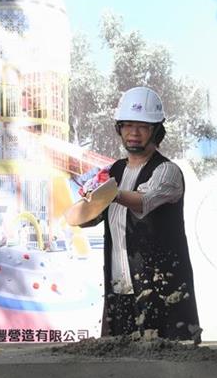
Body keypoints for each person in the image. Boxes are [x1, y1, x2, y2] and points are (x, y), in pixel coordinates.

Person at [81, 87, 201, 342]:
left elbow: (144, 201)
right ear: (119, 128)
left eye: (142, 126)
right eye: (127, 125)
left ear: (156, 131)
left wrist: (108, 193)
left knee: (169, 369)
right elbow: (92, 216)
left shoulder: (168, 172)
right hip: (120, 288)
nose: (133, 133)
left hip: (163, 291)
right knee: (119, 371)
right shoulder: (114, 170)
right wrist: (86, 208)